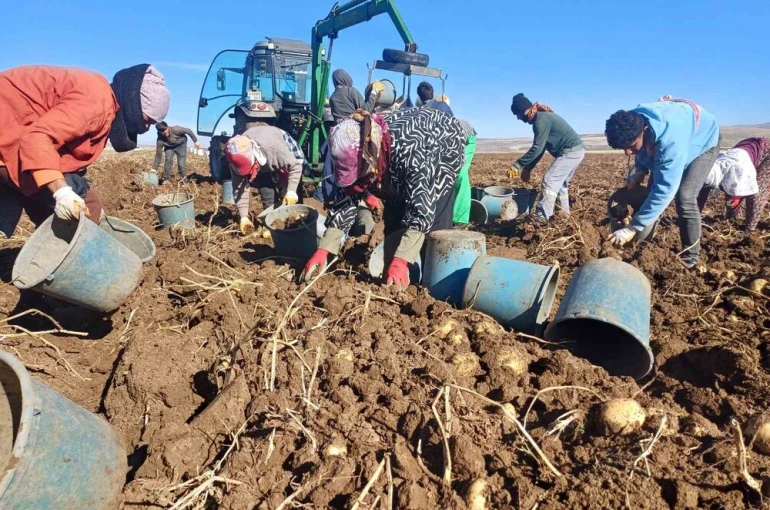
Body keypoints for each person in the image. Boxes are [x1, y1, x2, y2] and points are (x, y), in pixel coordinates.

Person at [300, 107, 466, 288]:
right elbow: (348, 195)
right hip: (396, 161)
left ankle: (434, 284)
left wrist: (401, 260)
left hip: (440, 145)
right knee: (394, 217)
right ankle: (392, 276)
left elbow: (421, 210)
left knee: (433, 228)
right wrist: (325, 248)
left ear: (371, 156)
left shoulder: (413, 154)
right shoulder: (356, 145)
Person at [0, 64, 169, 238]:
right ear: (135, 103)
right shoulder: (97, 102)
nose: (145, 128)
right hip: (9, 132)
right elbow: (36, 138)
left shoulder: (103, 99)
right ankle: (81, 255)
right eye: (147, 120)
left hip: (14, 134)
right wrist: (62, 192)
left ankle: (57, 253)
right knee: (86, 206)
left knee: (58, 202)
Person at [605, 96, 720, 268]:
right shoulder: (634, 119)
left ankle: (690, 258)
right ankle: (643, 244)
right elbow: (644, 149)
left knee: (685, 197)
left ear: (643, 129)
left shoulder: (670, 142)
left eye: (630, 146)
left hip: (703, 142)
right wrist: (640, 170)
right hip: (677, 132)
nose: (627, 153)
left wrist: (631, 228)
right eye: (623, 148)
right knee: (650, 192)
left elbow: (664, 190)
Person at [507, 93, 585, 224]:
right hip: (576, 151)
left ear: (523, 111)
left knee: (550, 180)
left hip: (571, 151)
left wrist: (518, 165)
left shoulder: (540, 120)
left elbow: (537, 148)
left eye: (517, 114)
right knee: (560, 184)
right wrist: (528, 168)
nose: (518, 118)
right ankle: (564, 216)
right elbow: (541, 149)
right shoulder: (541, 117)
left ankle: (541, 218)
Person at [223, 125, 305, 235]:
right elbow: (239, 189)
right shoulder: (234, 161)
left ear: (254, 156)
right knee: (265, 185)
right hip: (262, 159)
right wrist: (243, 218)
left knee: (290, 189)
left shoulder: (274, 147)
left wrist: (291, 191)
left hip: (283, 149)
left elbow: (295, 166)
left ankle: (296, 223)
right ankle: (271, 222)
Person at [710, 137, 770, 232]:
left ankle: (749, 230)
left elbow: (745, 178)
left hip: (766, 152)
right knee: (731, 193)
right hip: (746, 149)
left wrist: (737, 196)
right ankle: (732, 221)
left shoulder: (740, 165)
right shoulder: (716, 164)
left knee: (756, 192)